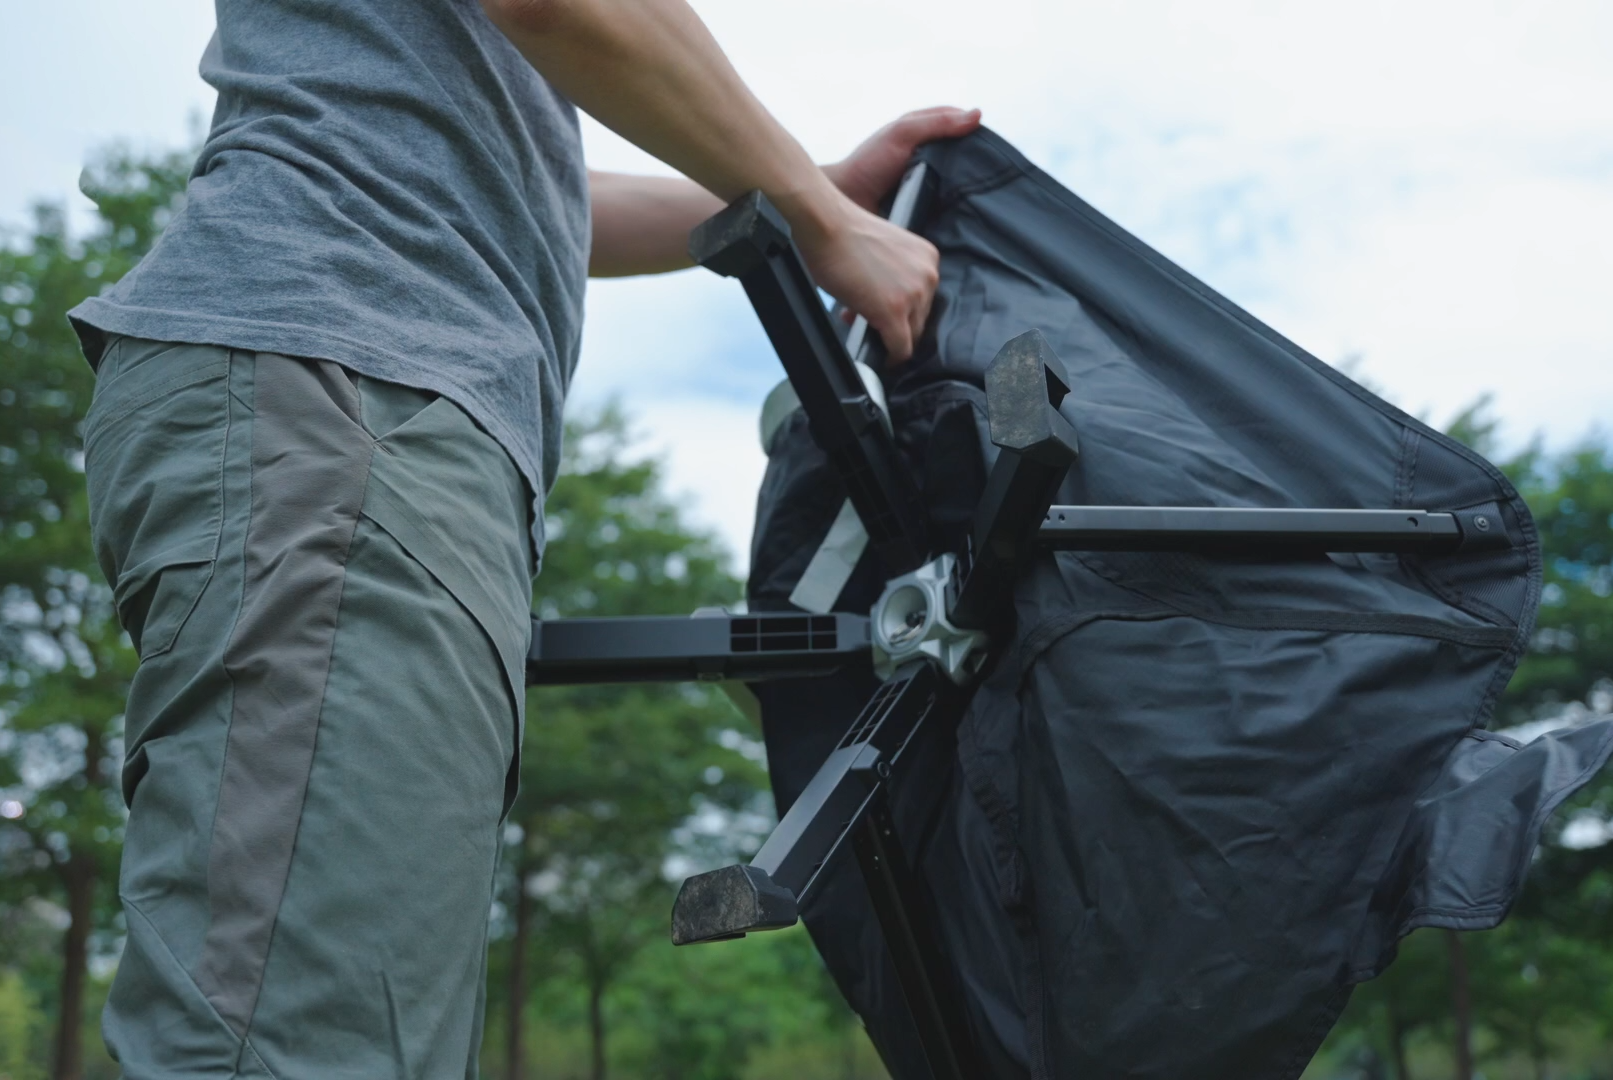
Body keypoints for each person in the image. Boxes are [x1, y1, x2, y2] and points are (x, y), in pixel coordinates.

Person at [67, 0, 978, 1074]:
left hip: (350, 399)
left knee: (355, 1015)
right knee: (304, 1037)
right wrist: (820, 214)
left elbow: (536, 193)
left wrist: (813, 188)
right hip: (353, 386)